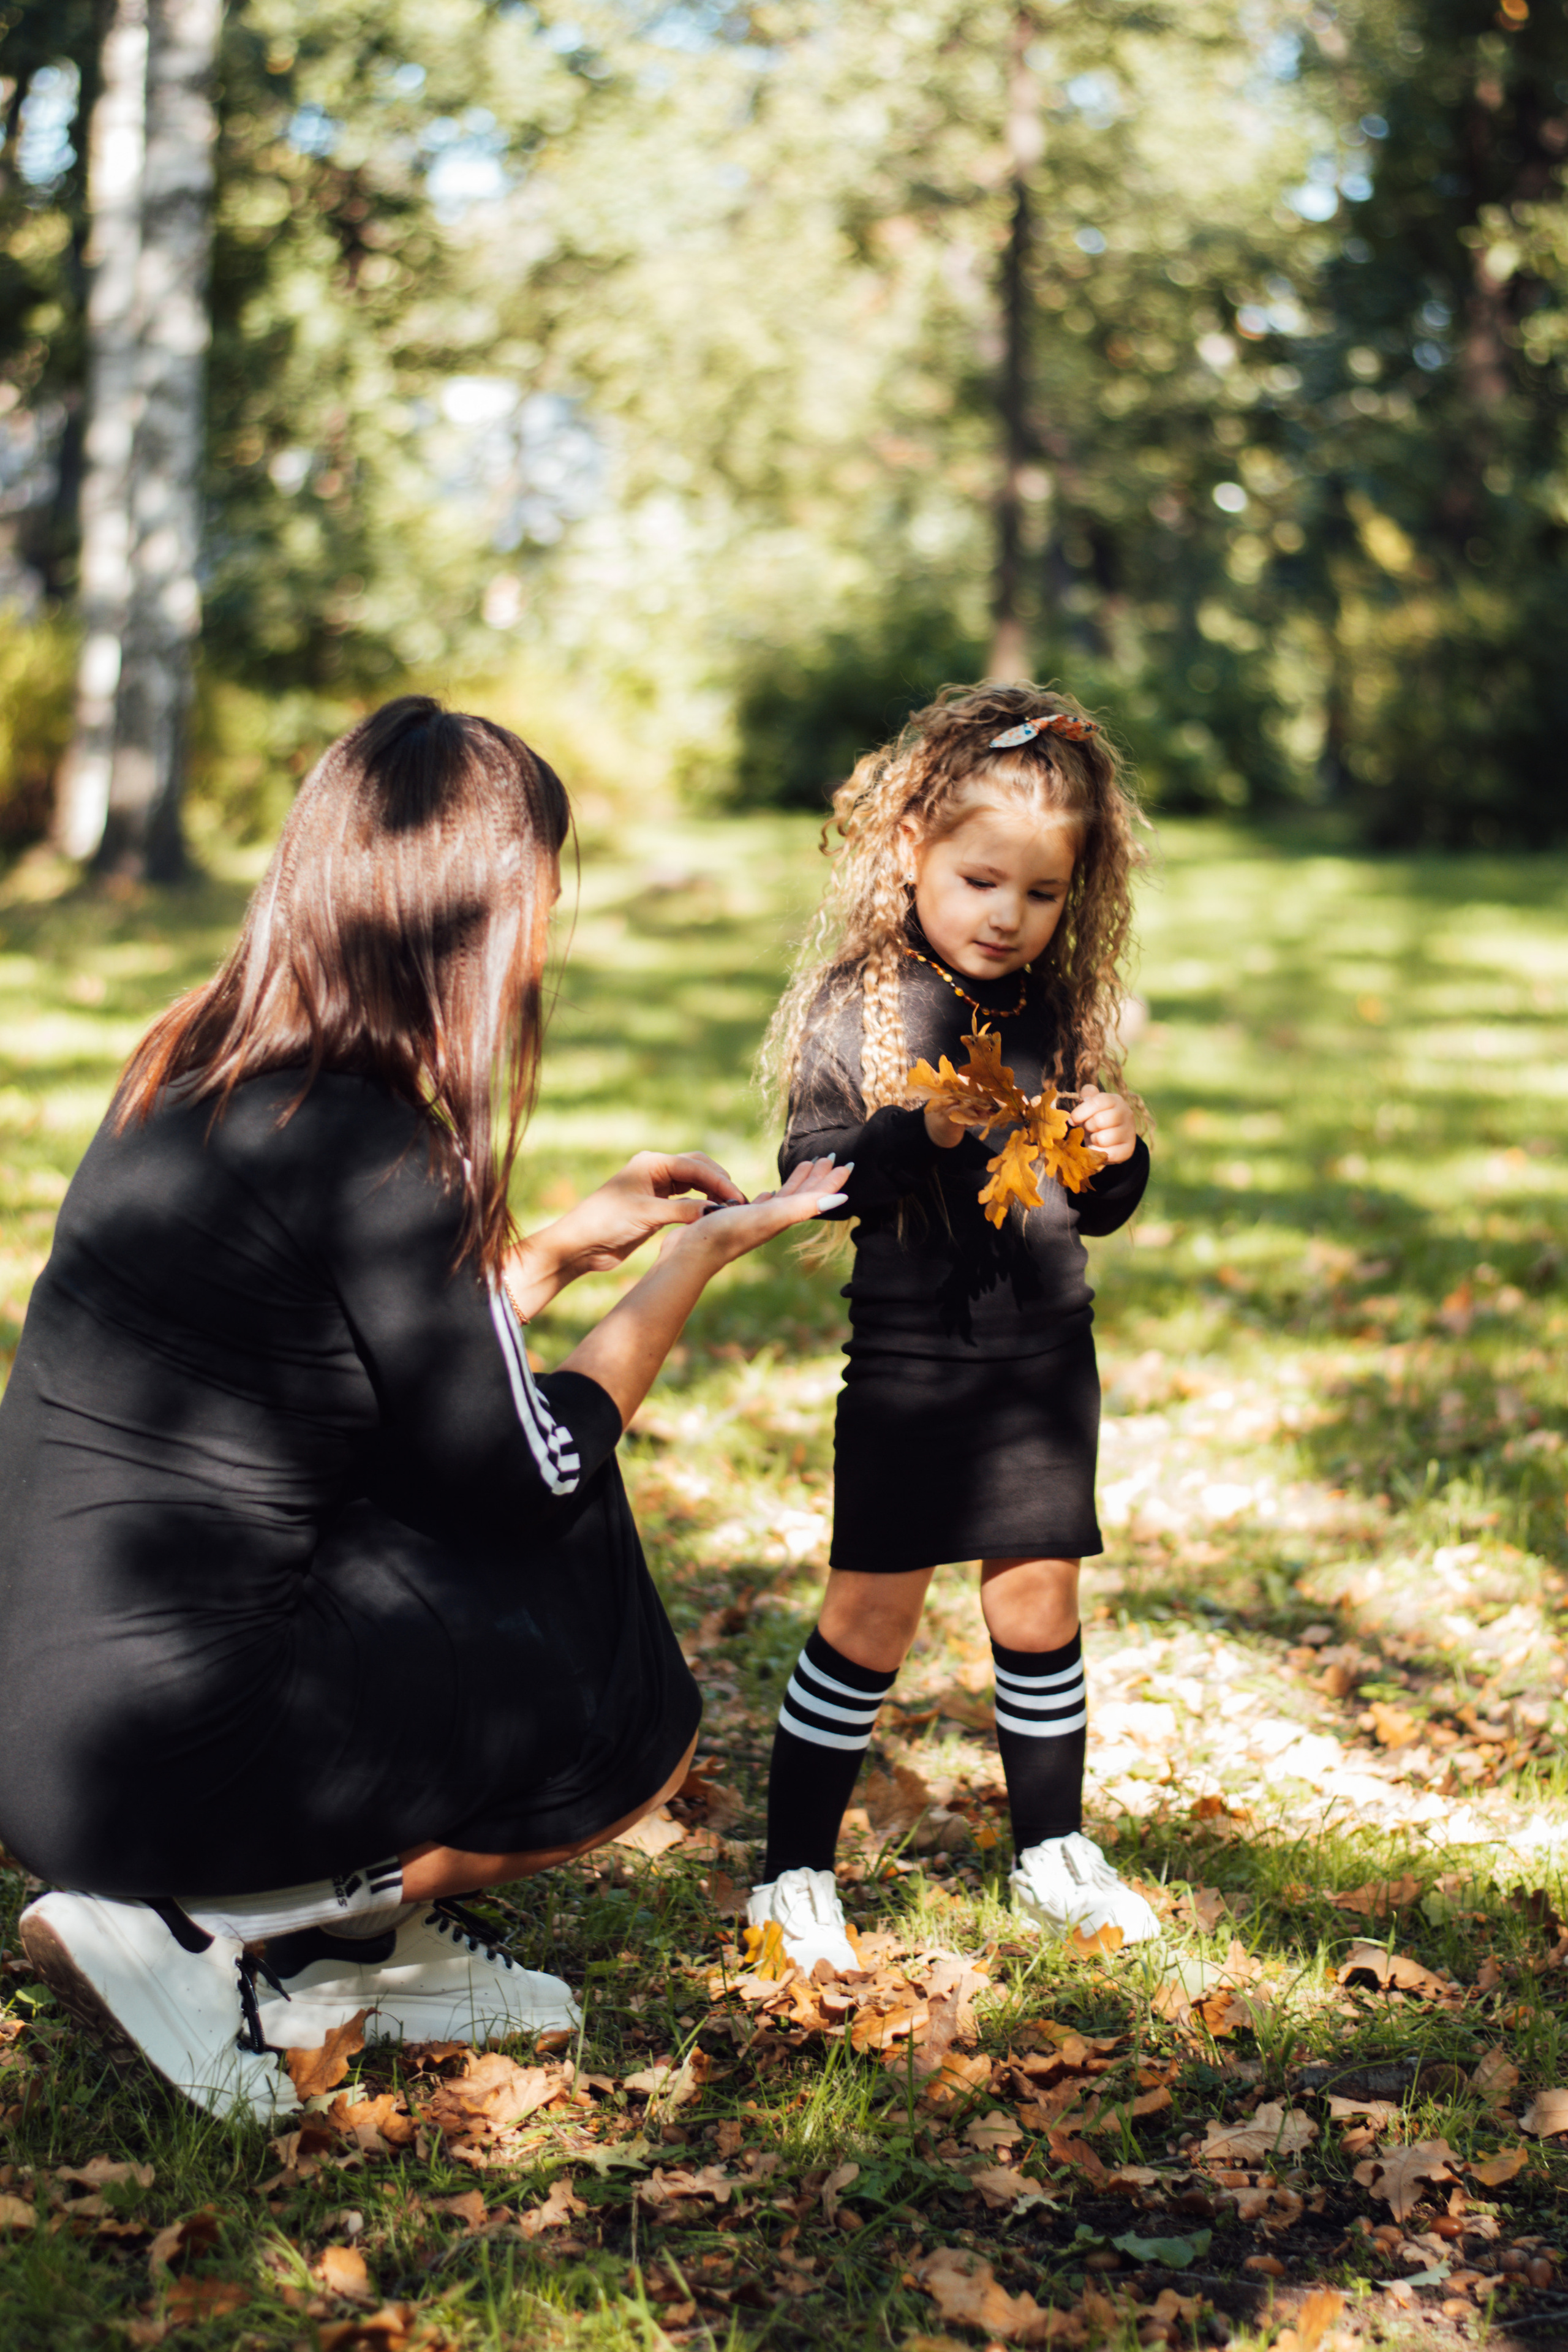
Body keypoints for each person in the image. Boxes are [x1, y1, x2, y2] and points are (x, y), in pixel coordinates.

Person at [0, 696, 843, 2120]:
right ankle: (221, 1924)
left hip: (47, 1736)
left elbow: (342, 1368)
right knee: (614, 1652)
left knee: (446, 1477)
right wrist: (692, 1262)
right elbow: (530, 1466)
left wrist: (559, 1253)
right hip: (170, 1769)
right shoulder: (385, 1147)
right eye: (542, 908)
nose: (541, 953)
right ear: (480, 911)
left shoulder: (189, 1069)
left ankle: (352, 1955)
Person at [746, 684, 1156, 1972]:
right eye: (981, 881)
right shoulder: (857, 1001)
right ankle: (792, 1875)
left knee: (1038, 1601)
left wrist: (1117, 1149)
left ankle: (1049, 1848)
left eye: (1039, 896)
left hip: (1045, 1360)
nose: (1007, 916)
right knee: (869, 1615)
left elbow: (1093, 1216)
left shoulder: (1055, 1010)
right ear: (911, 848)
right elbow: (815, 1173)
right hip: (913, 1367)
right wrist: (909, 1133)